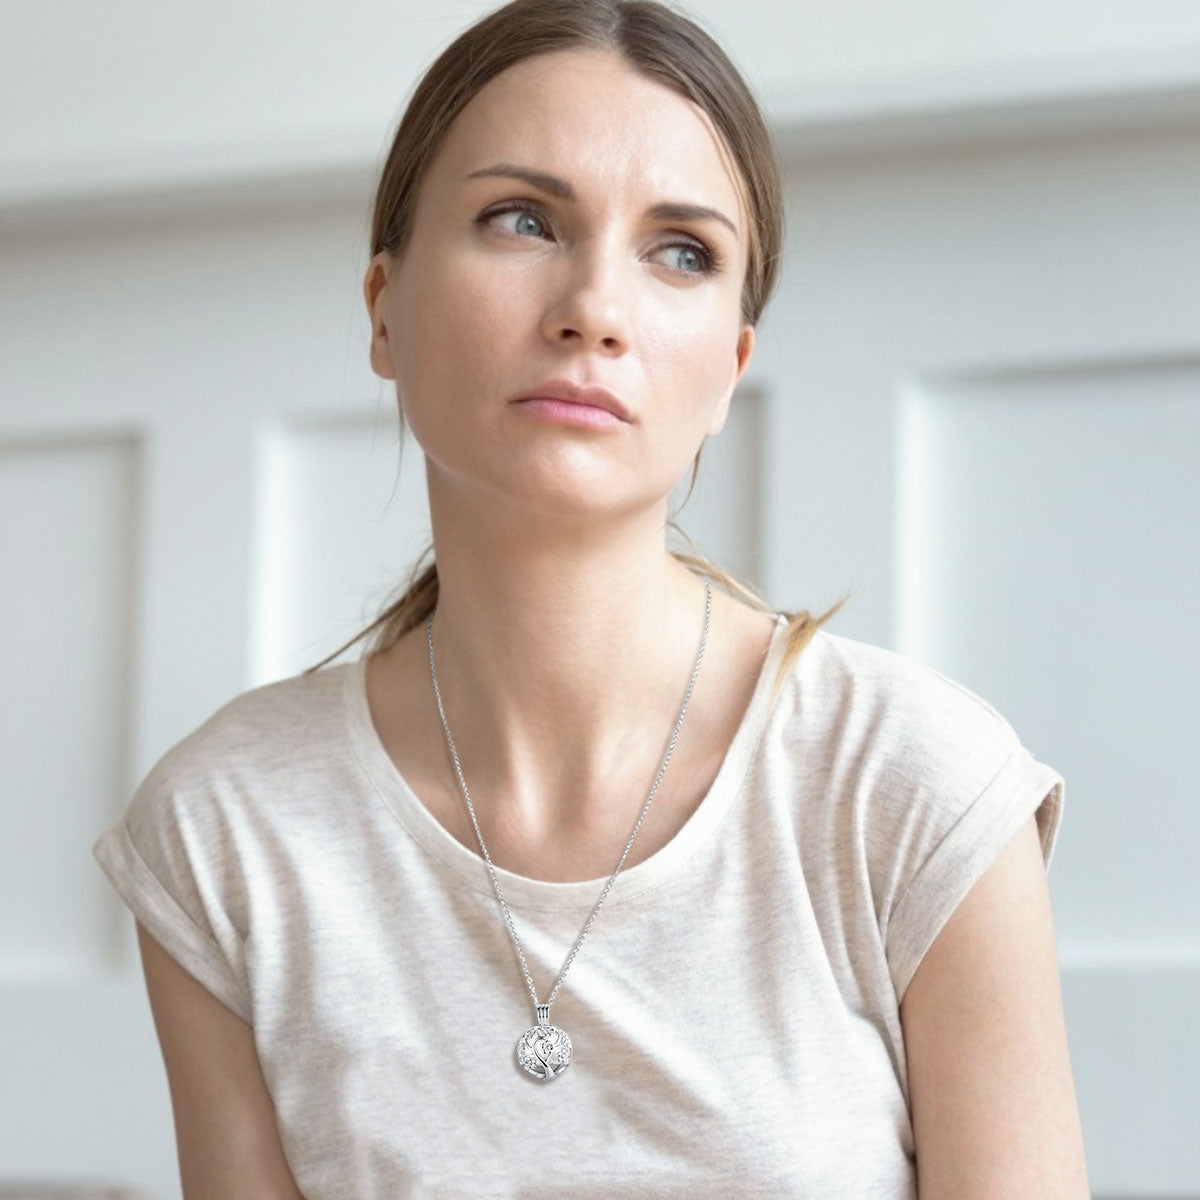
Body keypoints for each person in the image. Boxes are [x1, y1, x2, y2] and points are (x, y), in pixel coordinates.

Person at [92, 0, 1091, 1195]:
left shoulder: (918, 788)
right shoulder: (228, 833)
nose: (593, 311)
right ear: (382, 311)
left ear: (729, 368)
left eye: (682, 251)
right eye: (521, 219)